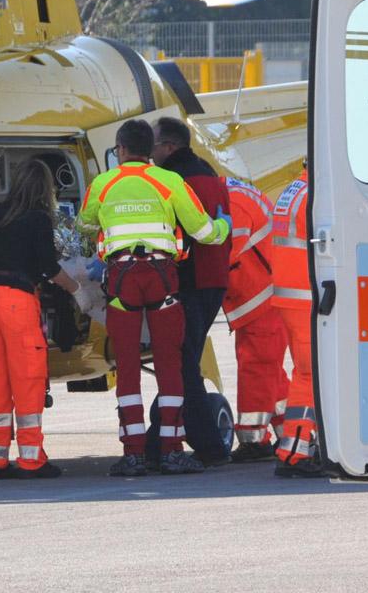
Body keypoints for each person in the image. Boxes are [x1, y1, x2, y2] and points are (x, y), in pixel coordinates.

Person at [79, 119, 230, 476]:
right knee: (169, 364)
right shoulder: (170, 181)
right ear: (150, 150)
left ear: (120, 149)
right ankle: (171, 450)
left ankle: (132, 453)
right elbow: (203, 232)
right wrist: (223, 224)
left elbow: (84, 227)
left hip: (121, 283)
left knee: (128, 366)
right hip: (163, 281)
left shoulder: (102, 184)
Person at [0, 159, 92, 480]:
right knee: (27, 379)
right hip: (17, 302)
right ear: (46, 189)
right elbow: (48, 267)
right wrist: (78, 290)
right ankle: (31, 459)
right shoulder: (38, 218)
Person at [151, 117, 232, 466]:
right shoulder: (209, 173)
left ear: (169, 146)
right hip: (213, 281)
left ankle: (207, 446)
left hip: (190, 282)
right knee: (183, 362)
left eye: (153, 146)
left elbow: (183, 231)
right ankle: (160, 438)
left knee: (183, 366)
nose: (149, 154)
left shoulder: (177, 180)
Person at [224, 176, 290, 462]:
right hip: (265, 296)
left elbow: (224, 255)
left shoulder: (233, 203)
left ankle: (254, 439)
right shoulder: (236, 194)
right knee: (270, 370)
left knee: (257, 367)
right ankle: (291, 431)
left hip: (260, 298)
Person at [270, 163, 322, 477]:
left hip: (291, 298)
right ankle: (294, 452)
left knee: (306, 371)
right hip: (306, 298)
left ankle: (299, 446)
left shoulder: (293, 191)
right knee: (309, 374)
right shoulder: (315, 196)